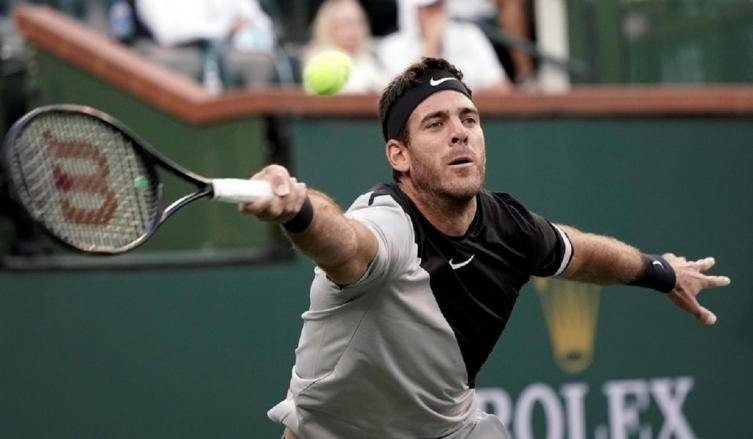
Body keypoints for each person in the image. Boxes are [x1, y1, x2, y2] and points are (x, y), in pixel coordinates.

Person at [239, 57, 730, 438]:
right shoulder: (387, 224)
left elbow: (580, 253)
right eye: (435, 124)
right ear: (399, 155)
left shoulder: (510, 227)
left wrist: (659, 271)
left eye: (469, 119)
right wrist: (298, 210)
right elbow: (346, 243)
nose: (459, 133)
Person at [133, 0, 277, 92]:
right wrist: (226, 28)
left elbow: (257, 21)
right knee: (188, 65)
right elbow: (168, 32)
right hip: (173, 54)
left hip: (227, 51)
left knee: (260, 63)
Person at [377, 0, 510, 92]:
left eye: (439, 6)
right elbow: (409, 96)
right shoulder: (391, 47)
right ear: (411, 12)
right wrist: (432, 46)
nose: (437, 14)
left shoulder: (469, 35)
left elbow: (501, 88)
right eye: (429, 9)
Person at [302, 0, 388, 93]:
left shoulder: (368, 60)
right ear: (328, 26)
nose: (355, 29)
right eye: (347, 22)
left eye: (359, 22)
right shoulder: (319, 59)